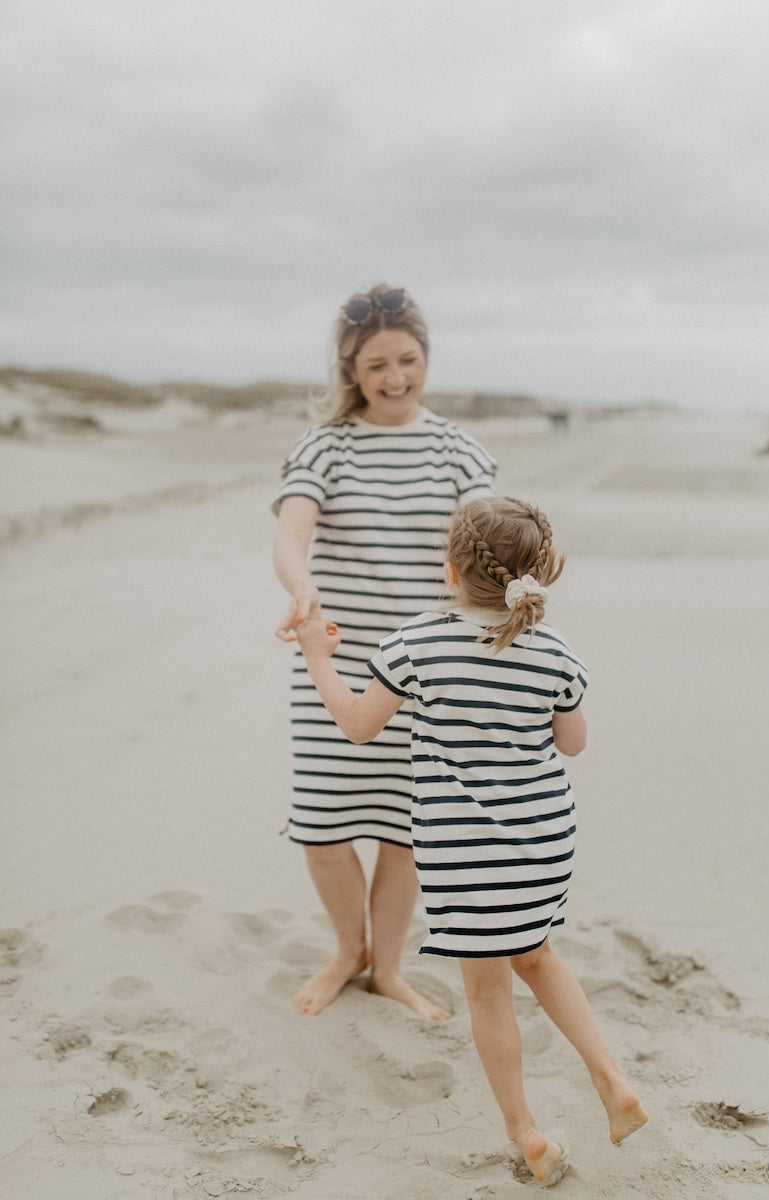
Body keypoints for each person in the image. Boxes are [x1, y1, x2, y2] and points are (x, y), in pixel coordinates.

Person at [293, 496, 648, 1185]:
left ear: (452, 571)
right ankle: (612, 1079)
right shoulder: (557, 651)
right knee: (539, 956)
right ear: (537, 573)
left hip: (466, 852)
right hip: (545, 840)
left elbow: (359, 726)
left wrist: (317, 659)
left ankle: (526, 1131)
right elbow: (572, 744)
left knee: (489, 996)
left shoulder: (416, 642)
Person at [272, 284, 497, 1019]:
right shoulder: (325, 446)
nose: (395, 377)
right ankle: (349, 949)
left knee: (406, 833)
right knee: (323, 826)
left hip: (429, 672)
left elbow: (484, 552)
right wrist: (302, 590)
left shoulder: (459, 450)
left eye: (407, 359)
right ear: (351, 370)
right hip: (333, 665)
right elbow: (290, 534)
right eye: (377, 365)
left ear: (426, 356)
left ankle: (388, 967)